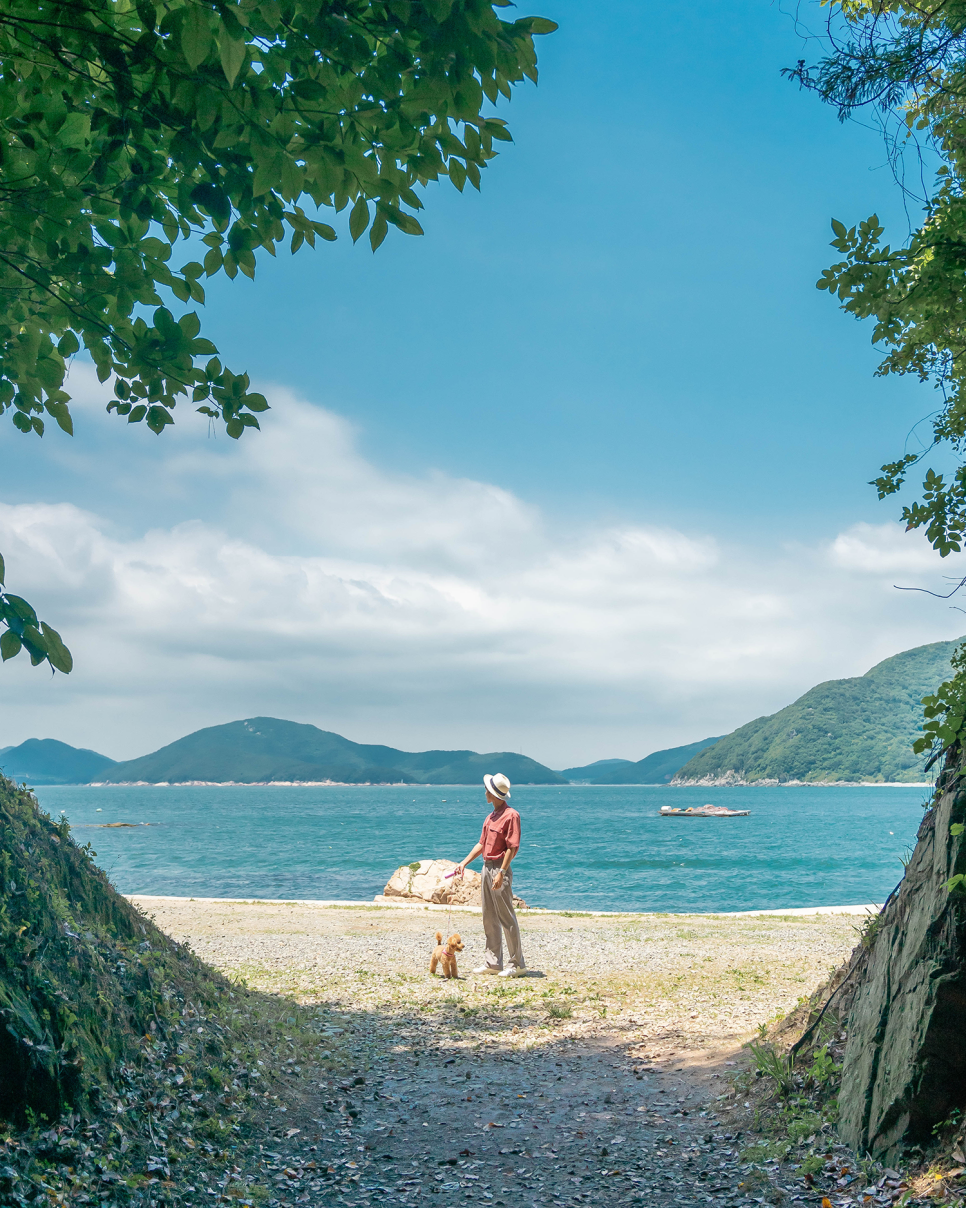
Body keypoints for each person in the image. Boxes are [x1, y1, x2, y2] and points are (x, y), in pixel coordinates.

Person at [455, 772, 526, 977]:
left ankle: (517, 964)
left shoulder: (511, 815)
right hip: (486, 867)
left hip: (499, 868)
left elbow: (512, 848)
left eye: (487, 789)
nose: (485, 792)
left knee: (506, 917)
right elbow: (482, 844)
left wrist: (502, 872)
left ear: (494, 794)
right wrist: (464, 863)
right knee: (489, 917)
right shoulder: (490, 817)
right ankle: (493, 963)